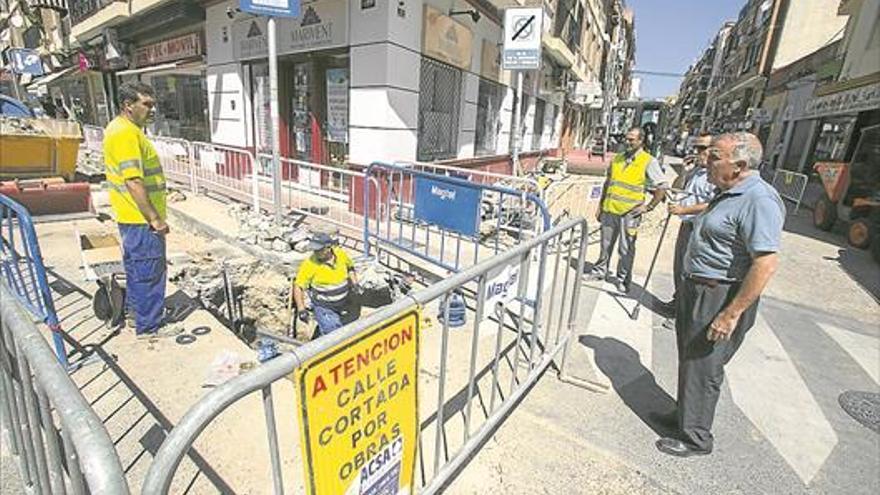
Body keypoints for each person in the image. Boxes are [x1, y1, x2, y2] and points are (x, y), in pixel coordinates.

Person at [655, 132, 785, 457]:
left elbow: (766, 264)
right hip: (698, 288)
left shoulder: (759, 199)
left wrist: (730, 314)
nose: (706, 161)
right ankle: (685, 416)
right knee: (690, 358)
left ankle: (695, 438)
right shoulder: (728, 190)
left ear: (739, 165)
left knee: (705, 366)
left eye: (714, 156)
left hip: (720, 295)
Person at [104, 82, 179, 339]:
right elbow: (134, 181)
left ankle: (140, 315)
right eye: (146, 104)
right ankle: (150, 326)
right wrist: (155, 219)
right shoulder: (126, 134)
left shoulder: (122, 129)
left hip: (131, 218)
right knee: (149, 273)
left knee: (138, 271)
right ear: (128, 106)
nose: (152, 109)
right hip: (141, 221)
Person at [588, 127, 668, 293]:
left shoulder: (648, 161)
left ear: (641, 141)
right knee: (605, 245)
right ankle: (599, 271)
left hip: (630, 214)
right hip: (610, 210)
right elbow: (608, 183)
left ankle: (623, 279)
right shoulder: (617, 159)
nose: (627, 142)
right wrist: (600, 206)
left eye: (631, 139)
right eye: (627, 138)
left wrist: (649, 207)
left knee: (625, 249)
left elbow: (662, 186)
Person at [658, 133, 716, 319]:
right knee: (680, 267)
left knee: (692, 270)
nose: (698, 152)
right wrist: (684, 171)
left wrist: (684, 209)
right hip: (687, 225)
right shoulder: (696, 171)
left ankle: (684, 312)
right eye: (696, 148)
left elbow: (715, 203)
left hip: (701, 227)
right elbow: (677, 188)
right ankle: (678, 302)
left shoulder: (716, 174)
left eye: (702, 148)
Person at [293, 233, 362, 336]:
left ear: (328, 248)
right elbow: (298, 286)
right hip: (324, 307)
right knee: (334, 334)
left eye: (319, 250)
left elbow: (350, 268)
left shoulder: (341, 254)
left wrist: (355, 283)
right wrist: (301, 309)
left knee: (337, 328)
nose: (315, 252)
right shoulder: (309, 264)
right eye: (314, 250)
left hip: (343, 303)